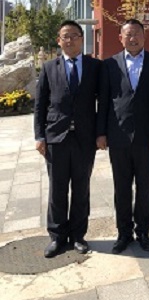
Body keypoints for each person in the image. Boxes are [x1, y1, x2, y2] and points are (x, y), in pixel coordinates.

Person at [34, 20, 101, 258]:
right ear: (59, 40)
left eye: (74, 35)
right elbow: (40, 105)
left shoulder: (95, 66)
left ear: (82, 39)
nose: (70, 40)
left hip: (85, 139)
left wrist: (100, 133)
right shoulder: (49, 67)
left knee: (81, 189)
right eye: (65, 36)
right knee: (57, 189)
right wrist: (39, 136)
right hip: (56, 138)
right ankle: (57, 236)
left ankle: (78, 236)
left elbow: (102, 103)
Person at [96, 19, 149, 254]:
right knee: (121, 187)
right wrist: (101, 133)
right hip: (118, 136)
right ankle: (124, 233)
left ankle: (143, 232)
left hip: (146, 137)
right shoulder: (109, 65)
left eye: (137, 34)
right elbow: (104, 101)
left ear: (144, 37)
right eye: (128, 34)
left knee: (144, 187)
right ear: (120, 38)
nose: (133, 38)